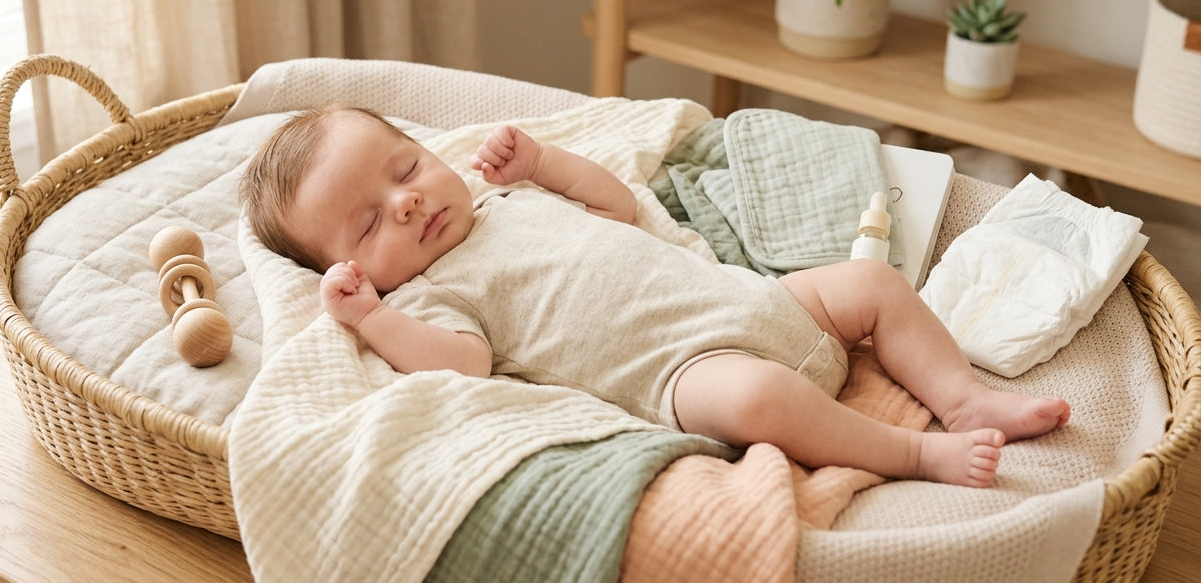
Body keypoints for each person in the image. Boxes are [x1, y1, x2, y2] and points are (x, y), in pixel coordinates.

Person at [240, 105, 1071, 488]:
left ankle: (962, 399)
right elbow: (463, 363)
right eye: (366, 224)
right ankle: (915, 454)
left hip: (761, 301)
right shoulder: (430, 294)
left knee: (870, 283)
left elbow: (616, 204)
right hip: (685, 371)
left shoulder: (503, 198)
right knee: (759, 397)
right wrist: (372, 318)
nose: (409, 203)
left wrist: (542, 164)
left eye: (405, 169)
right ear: (354, 273)